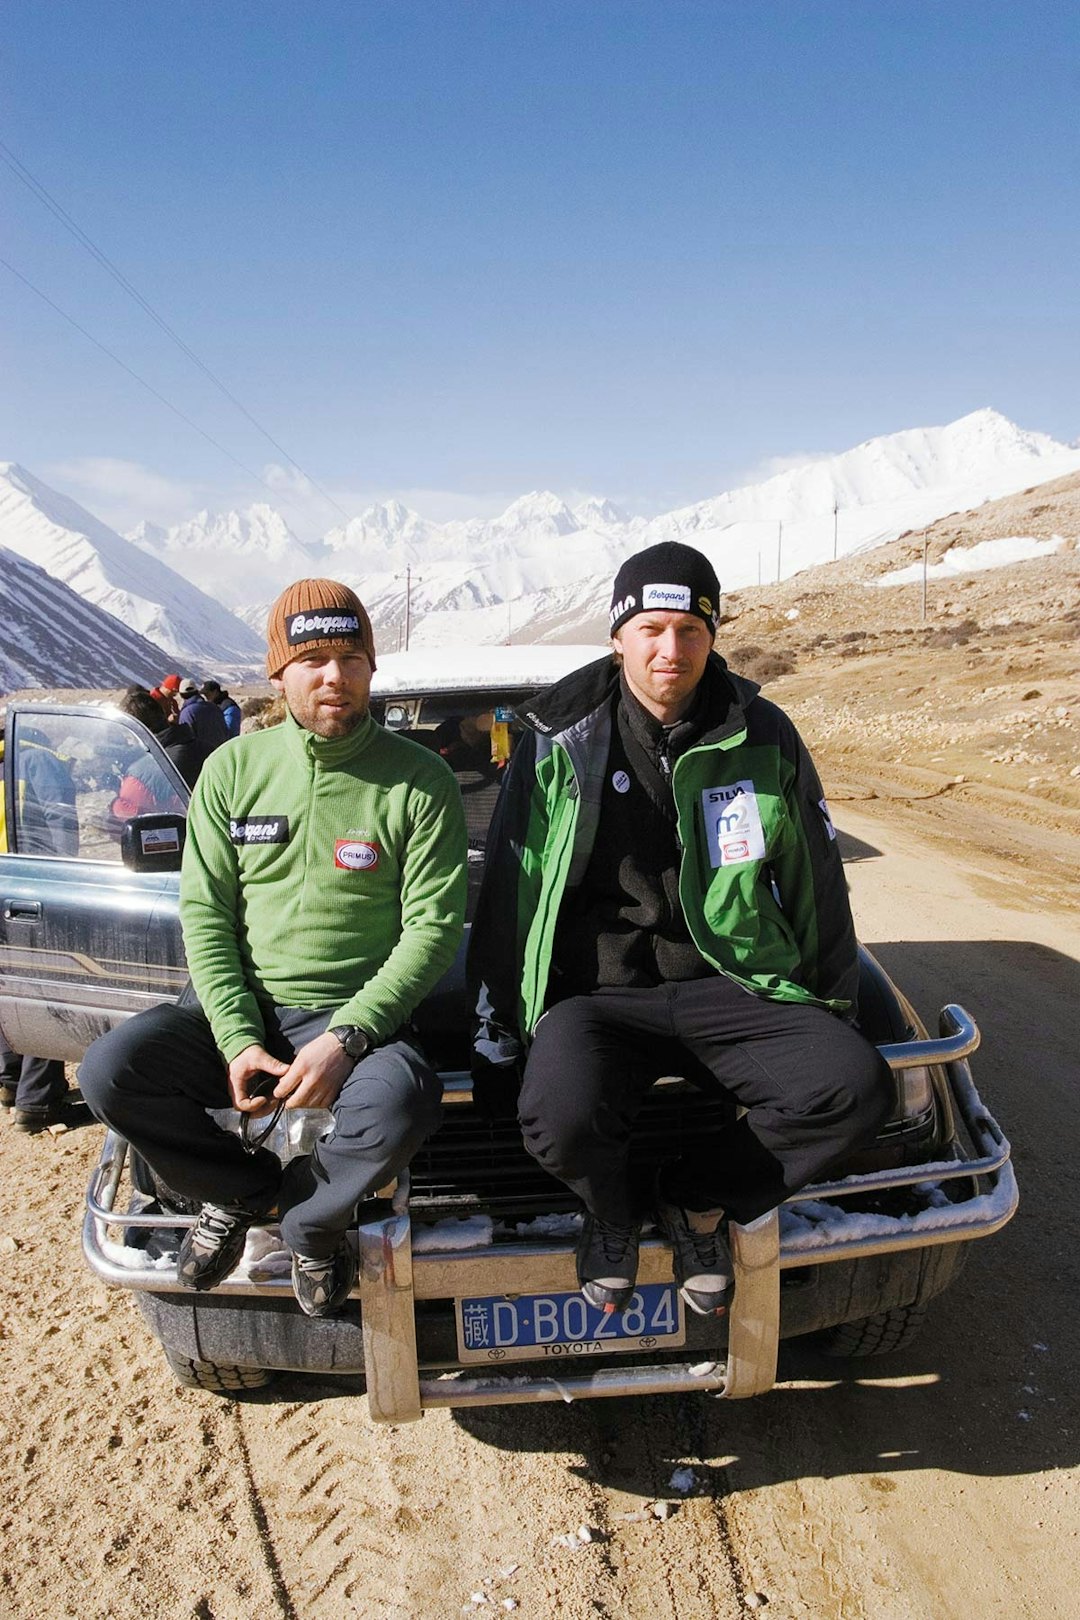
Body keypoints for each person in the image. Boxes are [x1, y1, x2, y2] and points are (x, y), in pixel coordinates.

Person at [468, 541, 893, 1319]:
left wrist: (831, 1005)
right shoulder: (559, 738)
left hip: (729, 983)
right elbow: (509, 893)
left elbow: (813, 879)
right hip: (597, 996)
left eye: (691, 631)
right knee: (555, 1118)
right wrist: (496, 1031)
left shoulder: (759, 731)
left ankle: (694, 1202)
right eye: (653, 629)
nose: (672, 651)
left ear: (712, 635)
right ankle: (611, 1212)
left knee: (857, 1086)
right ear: (619, 635)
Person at [80, 580, 467, 1317]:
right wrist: (234, 1039)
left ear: (371, 667)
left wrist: (348, 1039)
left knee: (405, 1101)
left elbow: (432, 928)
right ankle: (236, 1190)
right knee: (111, 1070)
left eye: (352, 656)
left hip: (356, 1015)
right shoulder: (231, 770)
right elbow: (207, 916)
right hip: (242, 1008)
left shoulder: (420, 781)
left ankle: (310, 1223)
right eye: (313, 657)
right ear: (279, 672)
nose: (334, 676)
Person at [110, 686, 201, 822]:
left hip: (178, 840)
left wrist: (115, 806)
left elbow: (132, 819)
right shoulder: (208, 749)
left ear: (136, 729)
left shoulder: (143, 771)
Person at [177, 677, 230, 759]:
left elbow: (185, 740)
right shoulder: (214, 707)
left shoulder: (187, 713)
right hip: (221, 755)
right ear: (197, 692)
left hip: (200, 759)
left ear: (181, 694)